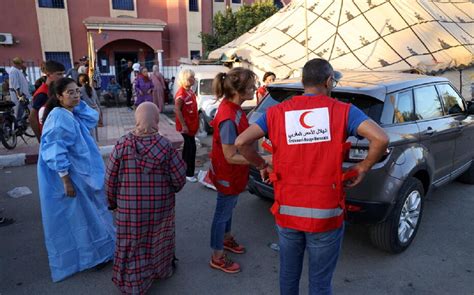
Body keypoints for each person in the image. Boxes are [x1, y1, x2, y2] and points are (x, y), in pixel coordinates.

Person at [235, 58, 389, 294]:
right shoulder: (343, 111)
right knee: (319, 283)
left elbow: (241, 142)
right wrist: (363, 167)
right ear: (329, 81)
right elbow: (380, 138)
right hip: (325, 214)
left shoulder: (277, 112)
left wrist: (261, 165)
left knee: (288, 274)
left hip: (287, 211)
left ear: (303, 82)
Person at [37, 77, 115, 282]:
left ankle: (102, 251)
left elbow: (92, 118)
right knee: (82, 218)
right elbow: (54, 150)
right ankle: (92, 256)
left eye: (77, 91)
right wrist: (65, 180)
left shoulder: (70, 113)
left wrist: (78, 104)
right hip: (73, 176)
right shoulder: (58, 117)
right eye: (70, 92)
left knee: (94, 213)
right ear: (58, 96)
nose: (76, 95)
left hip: (84, 174)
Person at [105, 102, 186, 294]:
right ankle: (159, 271)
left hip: (129, 208)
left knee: (132, 242)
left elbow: (110, 178)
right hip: (160, 206)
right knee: (157, 240)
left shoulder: (123, 144)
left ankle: (133, 283)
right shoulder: (166, 147)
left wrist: (112, 203)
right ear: (156, 119)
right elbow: (179, 179)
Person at [208, 67, 262, 274]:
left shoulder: (235, 107)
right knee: (222, 212)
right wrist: (261, 161)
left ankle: (226, 238)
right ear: (239, 91)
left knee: (228, 208)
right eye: (251, 87)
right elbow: (230, 155)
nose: (254, 89)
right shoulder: (228, 117)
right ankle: (217, 256)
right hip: (227, 173)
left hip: (233, 173)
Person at [29, 60, 65, 141]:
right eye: (59, 74)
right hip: (49, 136)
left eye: (63, 74)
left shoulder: (55, 89)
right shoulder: (42, 93)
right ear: (48, 75)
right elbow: (32, 118)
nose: (62, 77)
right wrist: (40, 139)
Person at [174, 69, 199, 182]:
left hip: (191, 126)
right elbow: (177, 110)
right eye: (191, 78)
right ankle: (188, 173)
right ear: (186, 79)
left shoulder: (190, 91)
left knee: (189, 149)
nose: (194, 79)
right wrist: (183, 125)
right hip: (186, 127)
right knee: (190, 149)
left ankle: (189, 171)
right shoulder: (181, 94)